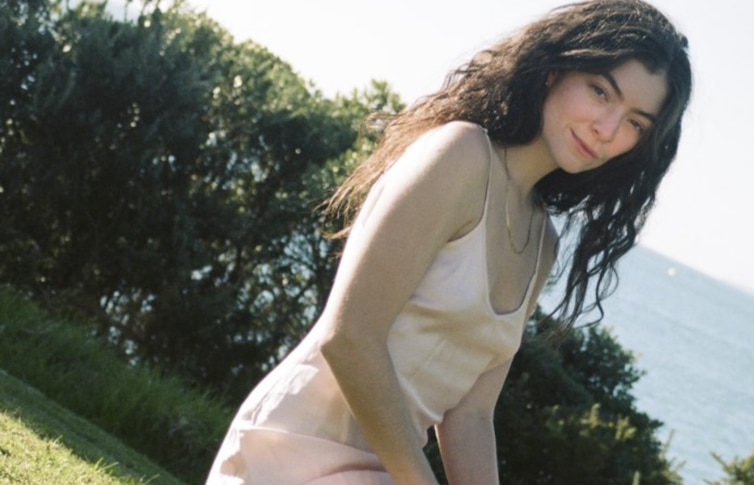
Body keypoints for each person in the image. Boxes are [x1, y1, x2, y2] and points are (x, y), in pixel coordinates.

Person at [206, 0, 692, 483]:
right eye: (600, 91)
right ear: (554, 70)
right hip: (292, 450)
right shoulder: (458, 156)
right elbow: (349, 337)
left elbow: (470, 415)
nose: (606, 130)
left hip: (383, 470)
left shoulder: (541, 243)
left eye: (634, 123)